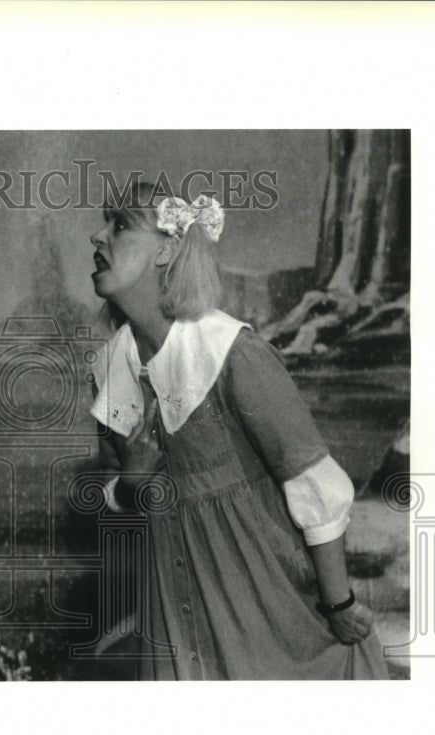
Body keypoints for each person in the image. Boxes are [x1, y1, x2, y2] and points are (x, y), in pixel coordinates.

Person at [88, 183, 389, 680]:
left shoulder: (232, 354)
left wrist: (339, 603)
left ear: (166, 248)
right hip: (174, 617)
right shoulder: (111, 366)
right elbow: (113, 488)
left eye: (119, 224)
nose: (97, 237)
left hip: (267, 616)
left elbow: (313, 483)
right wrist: (132, 483)